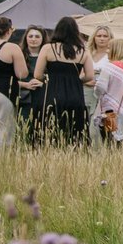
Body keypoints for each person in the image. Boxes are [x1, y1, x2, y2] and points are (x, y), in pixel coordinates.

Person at [38, 17, 86, 147]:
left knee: (51, 130)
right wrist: (77, 80)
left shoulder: (48, 48)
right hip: (75, 94)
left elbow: (37, 74)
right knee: (74, 132)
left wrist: (48, 78)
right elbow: (90, 75)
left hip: (52, 93)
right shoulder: (82, 50)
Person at [87, 27, 123, 145]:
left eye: (109, 48)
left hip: (110, 111)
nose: (107, 50)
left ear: (115, 49)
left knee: (109, 140)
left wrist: (97, 93)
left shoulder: (109, 67)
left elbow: (100, 88)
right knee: (121, 142)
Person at [0, 17, 18, 150]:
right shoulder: (11, 47)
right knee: (3, 130)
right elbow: (22, 73)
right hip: (5, 92)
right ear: (8, 31)